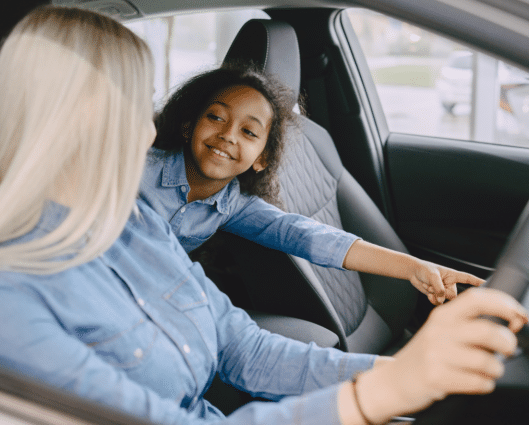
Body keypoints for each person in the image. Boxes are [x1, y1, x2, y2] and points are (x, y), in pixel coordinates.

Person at [0, 5, 529, 425]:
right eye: (132, 108)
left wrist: (411, 374)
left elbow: (243, 348)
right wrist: (383, 395)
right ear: (66, 121)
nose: (148, 129)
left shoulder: (138, 224)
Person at [141, 64, 483, 305]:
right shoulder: (137, 165)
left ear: (261, 159)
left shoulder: (233, 205)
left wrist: (415, 267)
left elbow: (312, 237)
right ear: (188, 126)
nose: (227, 135)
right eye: (215, 117)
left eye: (249, 132)